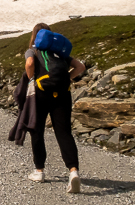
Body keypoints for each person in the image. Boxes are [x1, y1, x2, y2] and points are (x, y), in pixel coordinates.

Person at [9, 22, 86, 194]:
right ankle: (73, 171)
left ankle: (39, 171)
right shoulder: (60, 52)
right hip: (62, 93)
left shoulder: (33, 50)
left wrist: (31, 81)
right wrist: (68, 78)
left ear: (34, 36)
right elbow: (81, 67)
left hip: (41, 93)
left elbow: (30, 64)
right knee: (64, 132)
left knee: (37, 130)